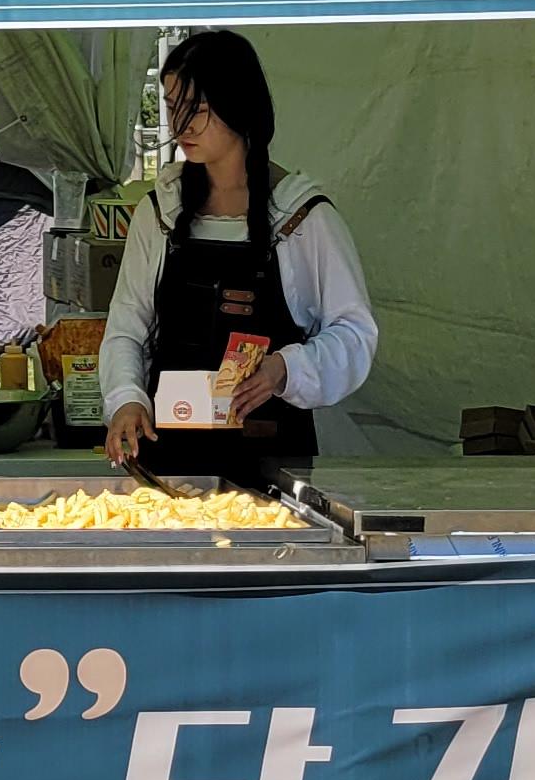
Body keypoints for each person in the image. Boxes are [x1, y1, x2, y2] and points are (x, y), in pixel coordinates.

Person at [99, 29, 378, 481]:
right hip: (169, 462)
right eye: (172, 106)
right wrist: (126, 398)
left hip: (274, 466)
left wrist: (286, 368)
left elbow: (355, 335)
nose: (181, 125)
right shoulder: (161, 212)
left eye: (198, 109)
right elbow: (126, 328)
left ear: (240, 108)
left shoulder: (301, 216)